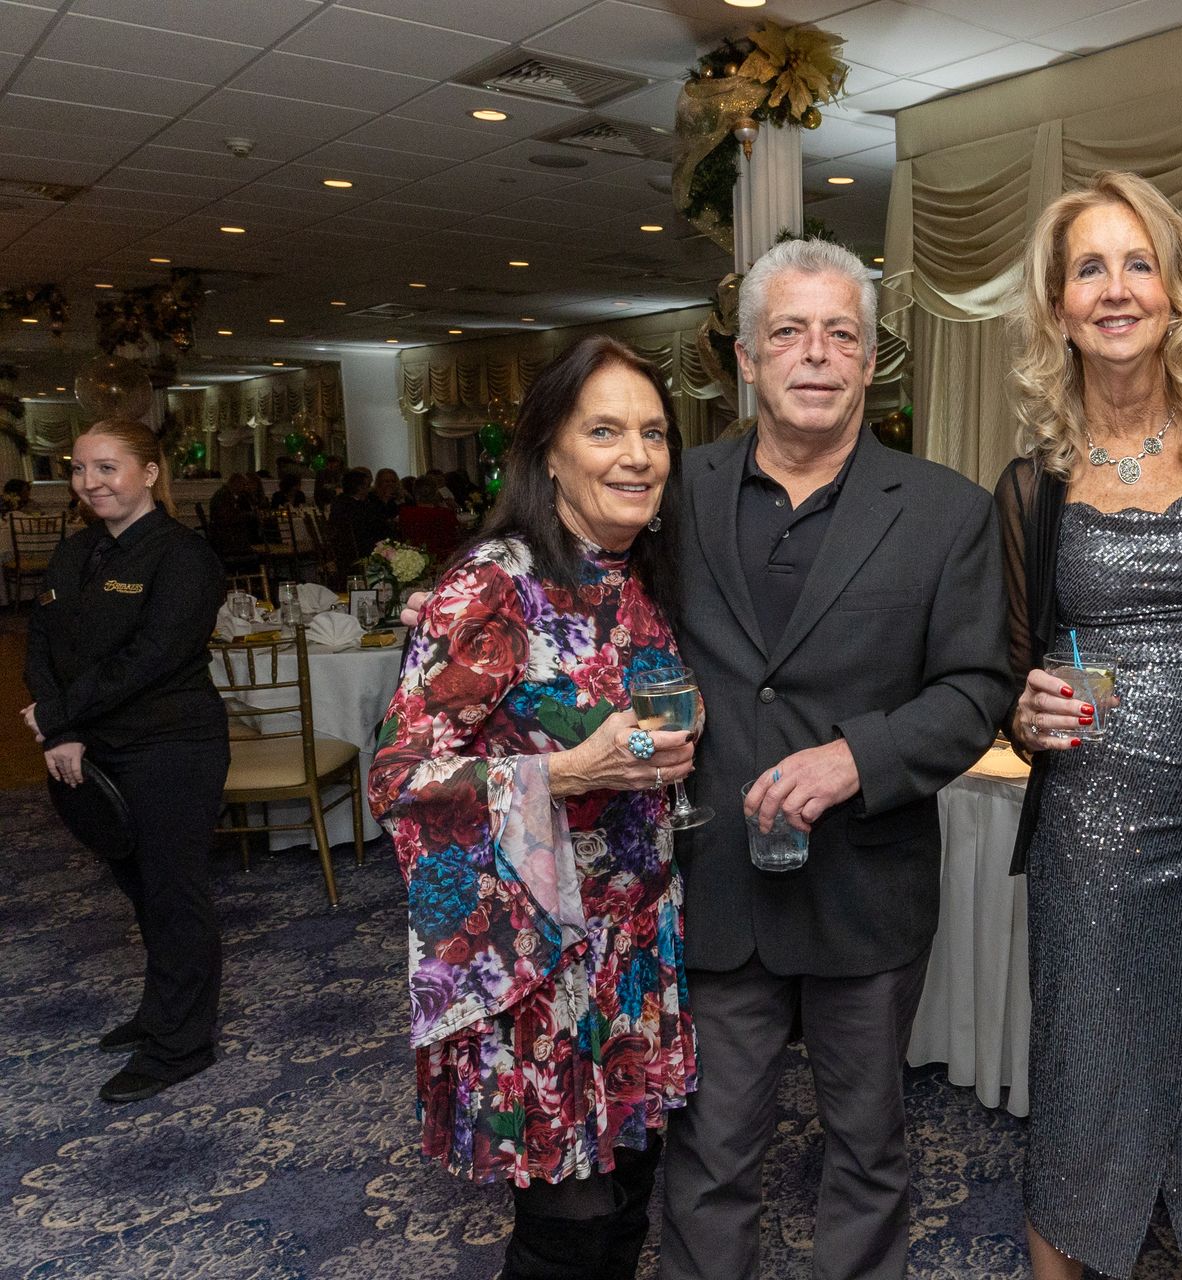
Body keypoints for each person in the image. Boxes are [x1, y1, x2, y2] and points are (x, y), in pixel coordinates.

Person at [659, 238, 1016, 1280]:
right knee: (712, 1149)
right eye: (789, 332)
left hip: (866, 884)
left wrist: (856, 758)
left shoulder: (947, 510)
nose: (815, 354)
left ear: (869, 361)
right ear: (746, 358)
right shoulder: (676, 494)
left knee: (866, 1149)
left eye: (840, 334)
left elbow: (975, 689)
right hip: (716, 879)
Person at [994, 171, 1182, 1280]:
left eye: (1138, 262)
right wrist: (1023, 709)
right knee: (1085, 1080)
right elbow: (1014, 666)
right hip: (1096, 835)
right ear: (1059, 307)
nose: (1116, 289)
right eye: (1089, 268)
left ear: (1174, 292)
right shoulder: (1034, 482)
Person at [368, 336, 700, 1279]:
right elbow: (399, 780)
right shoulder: (491, 586)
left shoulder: (638, 579)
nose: (636, 454)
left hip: (636, 949)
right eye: (604, 430)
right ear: (548, 452)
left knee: (631, 1195)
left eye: (653, 432)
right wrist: (564, 772)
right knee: (570, 1225)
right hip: (540, 971)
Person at [21, 418, 229, 1104]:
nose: (90, 483)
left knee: (175, 893)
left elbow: (153, 659)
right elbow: (43, 645)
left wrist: (59, 715)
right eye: (80, 469)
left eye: (107, 468)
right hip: (96, 747)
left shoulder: (183, 556)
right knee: (138, 887)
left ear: (148, 472)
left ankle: (182, 1043)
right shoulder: (75, 552)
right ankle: (160, 1011)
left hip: (172, 746)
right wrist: (62, 731)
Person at [326, 466, 390, 566]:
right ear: (361, 488)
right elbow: (375, 526)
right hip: (360, 551)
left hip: (345, 551)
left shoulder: (340, 502)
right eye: (367, 486)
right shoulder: (358, 507)